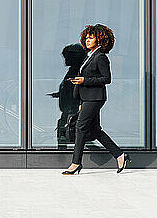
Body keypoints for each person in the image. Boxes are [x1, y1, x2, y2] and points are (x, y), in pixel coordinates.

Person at [62, 24, 130, 175]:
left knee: (80, 127)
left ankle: (76, 163)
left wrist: (84, 80)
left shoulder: (101, 57)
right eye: (86, 38)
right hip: (86, 98)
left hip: (95, 98)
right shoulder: (89, 56)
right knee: (95, 130)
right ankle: (120, 155)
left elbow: (107, 78)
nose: (87, 40)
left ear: (99, 40)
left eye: (91, 38)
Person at [47, 44, 86, 147]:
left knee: (67, 128)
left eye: (67, 57)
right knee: (66, 127)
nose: (65, 60)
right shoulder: (73, 70)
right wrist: (60, 94)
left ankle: (64, 151)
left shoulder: (78, 71)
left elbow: (76, 88)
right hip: (68, 107)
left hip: (71, 108)